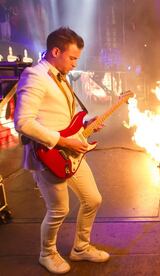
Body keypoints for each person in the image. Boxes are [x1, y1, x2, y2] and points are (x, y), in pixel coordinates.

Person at [14, 27, 109, 274]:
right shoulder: (34, 75)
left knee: (93, 199)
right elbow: (23, 122)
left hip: (70, 151)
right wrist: (63, 142)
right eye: (73, 58)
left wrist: (84, 127)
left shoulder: (60, 75)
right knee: (59, 209)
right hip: (48, 156)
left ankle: (81, 247)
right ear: (56, 51)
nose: (75, 63)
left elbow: (62, 118)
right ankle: (47, 253)